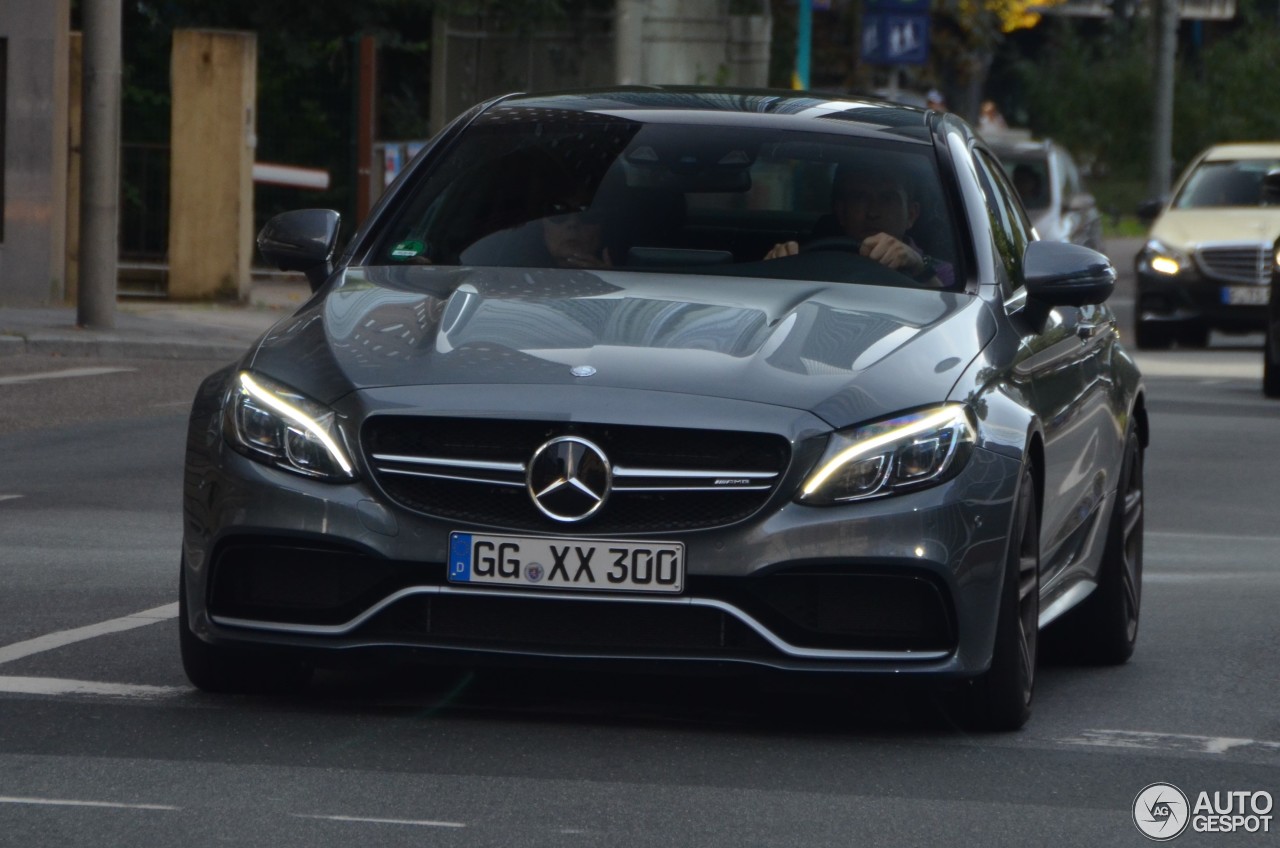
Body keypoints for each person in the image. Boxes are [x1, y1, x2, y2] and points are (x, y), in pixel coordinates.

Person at [765, 162, 954, 287]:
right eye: (859, 198)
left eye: (887, 199)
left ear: (911, 215)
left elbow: (953, 316)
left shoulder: (943, 273)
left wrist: (920, 270)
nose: (873, 212)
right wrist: (777, 267)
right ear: (841, 212)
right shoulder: (807, 263)